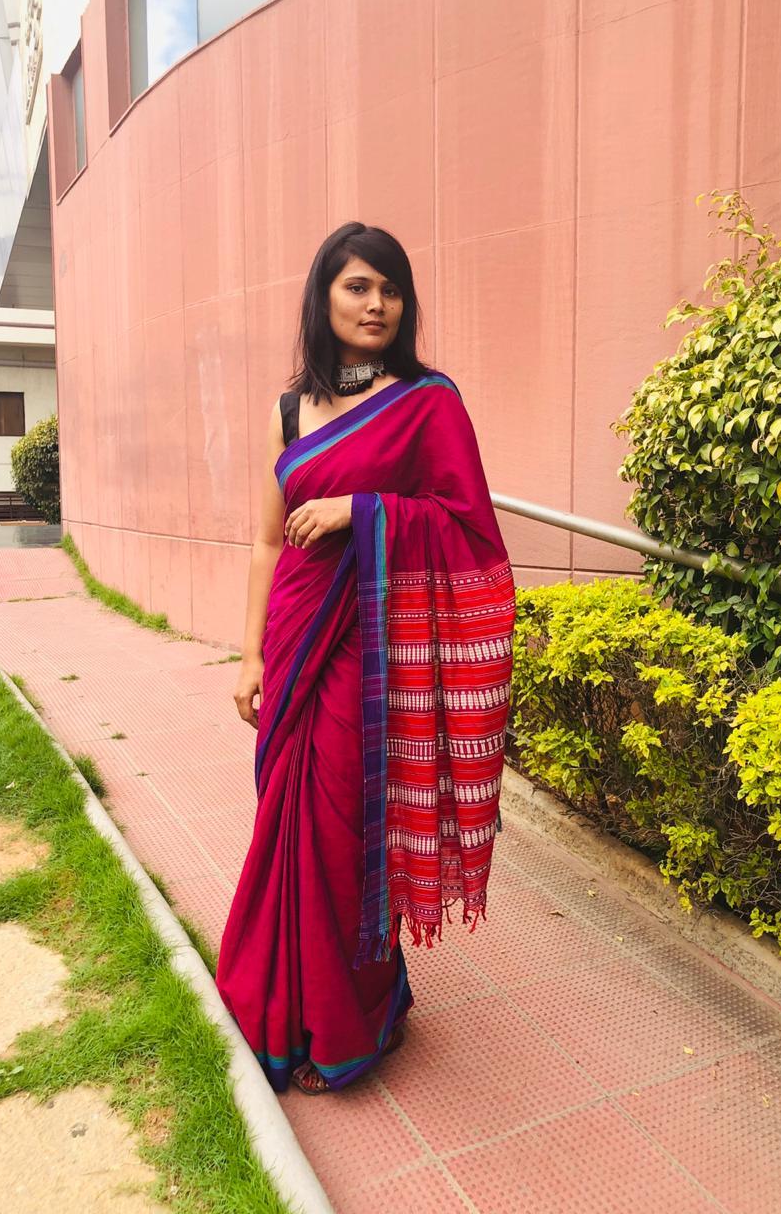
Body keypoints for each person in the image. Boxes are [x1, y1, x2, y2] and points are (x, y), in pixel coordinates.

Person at [215, 222, 516, 1095]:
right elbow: (266, 543)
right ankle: (283, 1007)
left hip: (369, 655)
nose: (376, 303)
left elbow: (471, 531)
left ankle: (357, 1016)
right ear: (324, 298)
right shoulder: (288, 410)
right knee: (286, 825)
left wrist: (363, 508)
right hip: (295, 640)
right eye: (356, 286)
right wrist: (248, 657)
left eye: (390, 288)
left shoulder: (428, 402)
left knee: (346, 828)